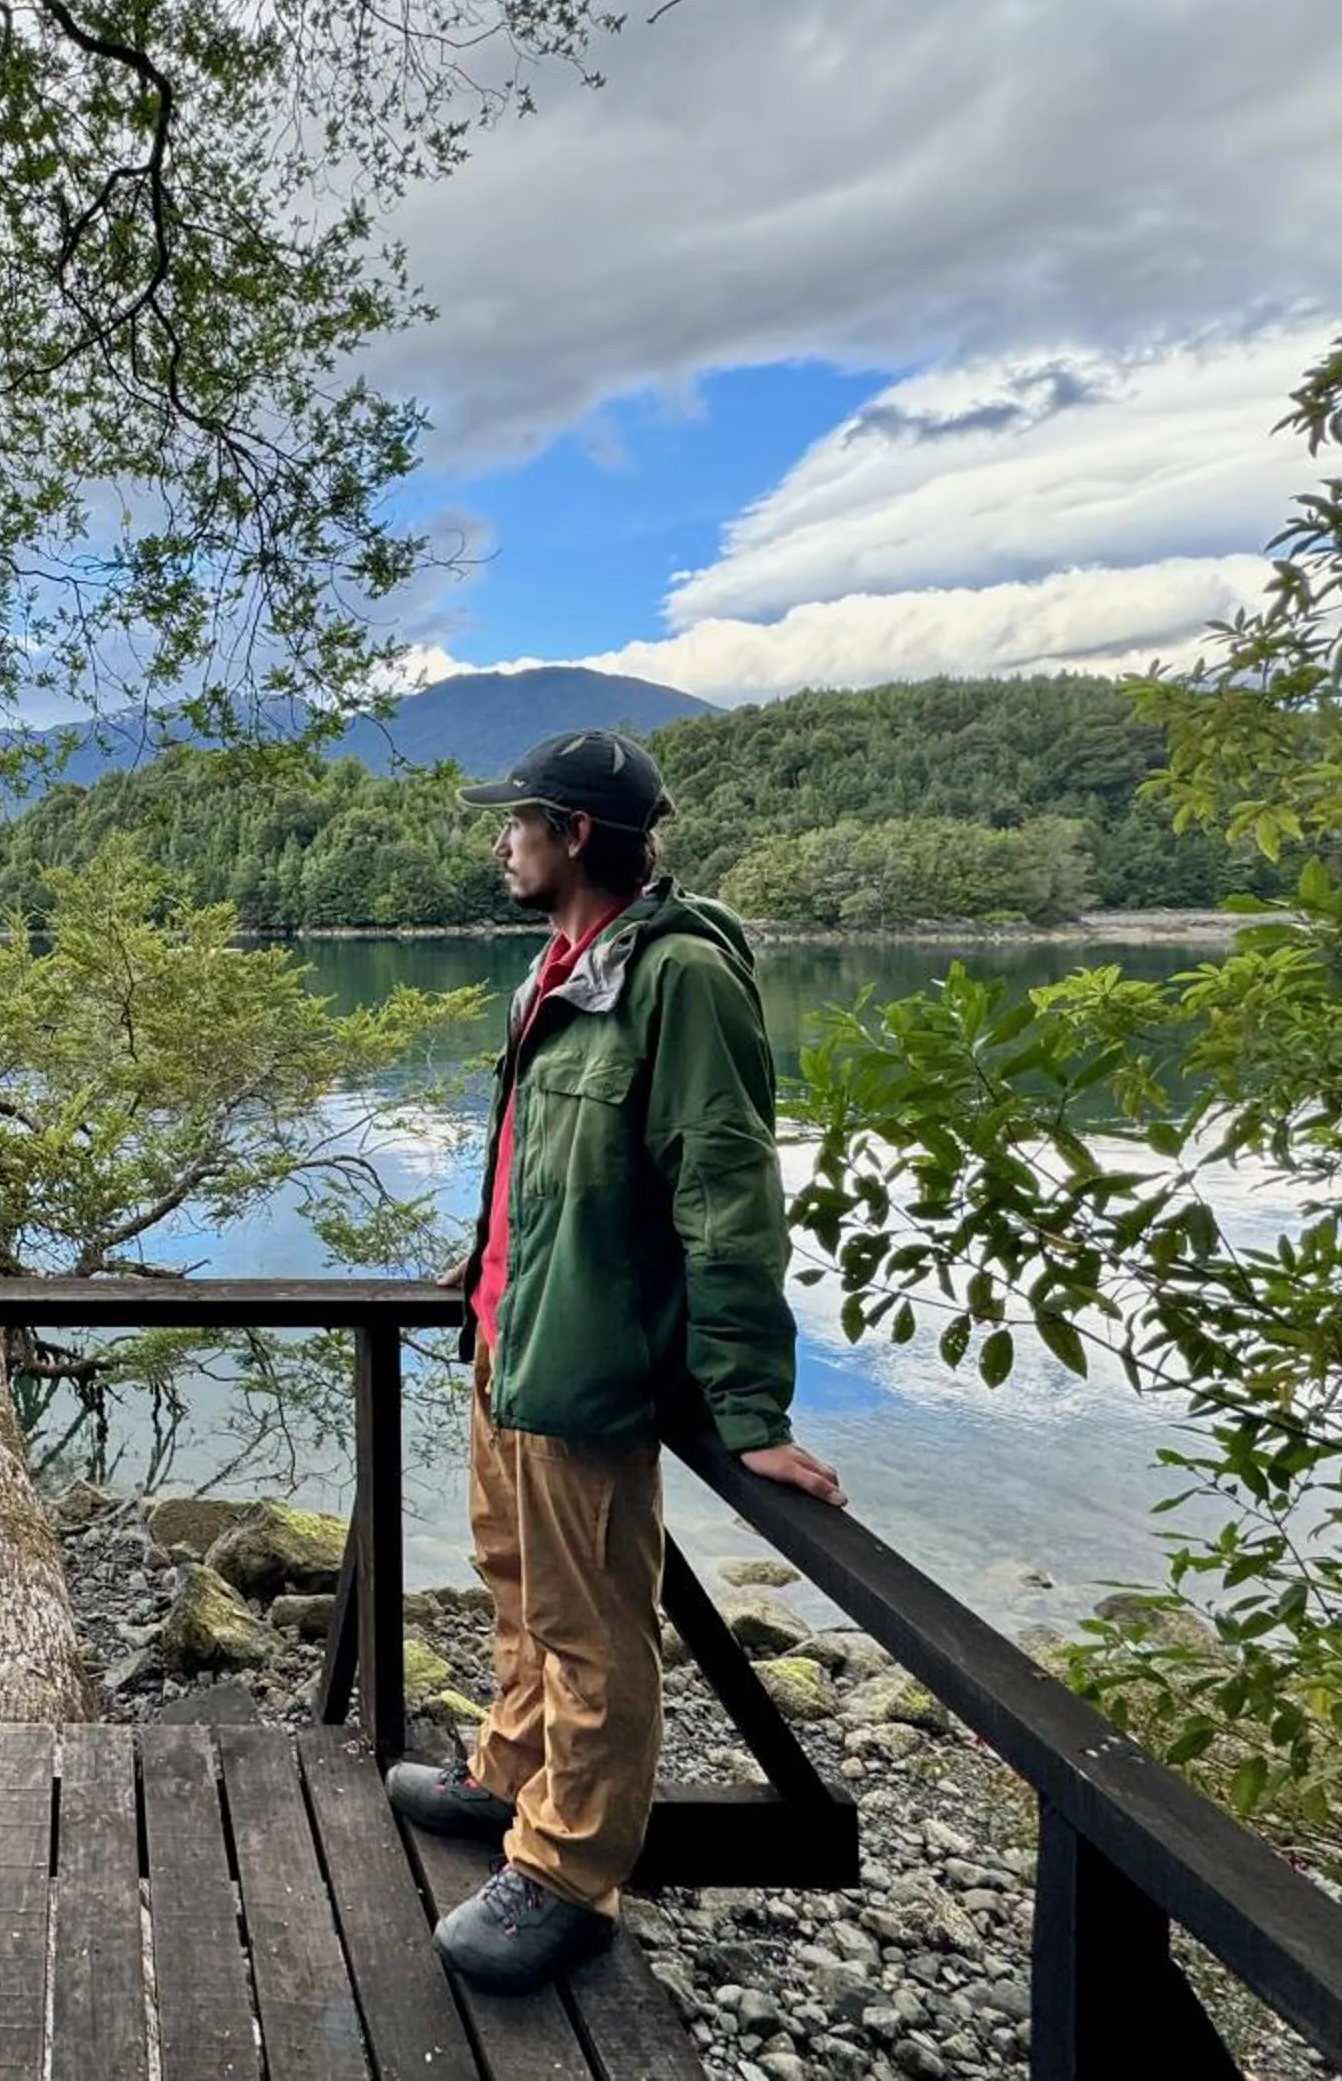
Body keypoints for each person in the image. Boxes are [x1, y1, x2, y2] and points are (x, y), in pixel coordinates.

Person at [389, 726, 846, 1995]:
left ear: (577, 832)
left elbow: (725, 1189)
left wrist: (749, 1408)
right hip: (508, 1335)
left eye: (517, 821)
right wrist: (474, 1256)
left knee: (593, 1626)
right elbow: (533, 1151)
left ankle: (567, 1876)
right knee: (515, 1582)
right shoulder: (560, 967)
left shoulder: (679, 976)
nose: (500, 841)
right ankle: (510, 1778)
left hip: (589, 1364)